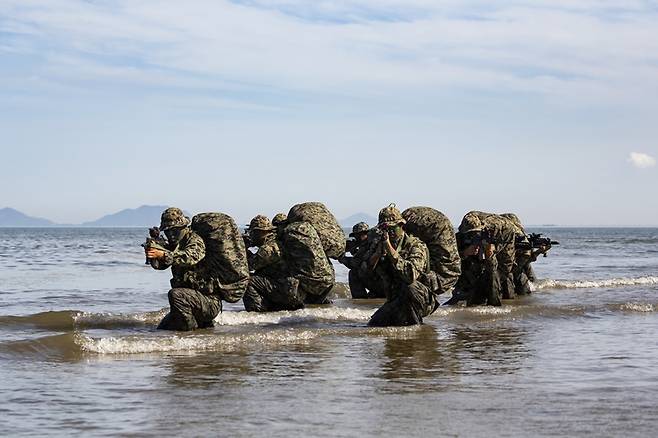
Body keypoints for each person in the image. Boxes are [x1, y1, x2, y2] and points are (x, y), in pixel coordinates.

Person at [145, 207, 219, 331]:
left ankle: (190, 335)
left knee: (175, 295)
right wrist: (154, 255)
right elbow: (161, 266)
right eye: (168, 232)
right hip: (189, 301)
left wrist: (163, 254)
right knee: (162, 329)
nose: (171, 235)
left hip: (208, 301)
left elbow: (189, 257)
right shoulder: (175, 245)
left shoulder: (195, 240)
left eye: (174, 231)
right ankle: (200, 326)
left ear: (183, 227)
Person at [368, 204, 436, 326]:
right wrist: (378, 254)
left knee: (409, 287)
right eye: (385, 229)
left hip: (421, 299)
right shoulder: (381, 243)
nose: (389, 233)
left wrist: (390, 250)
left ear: (401, 226)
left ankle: (417, 329)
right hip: (396, 299)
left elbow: (410, 276)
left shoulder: (415, 246)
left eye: (392, 228)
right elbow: (367, 271)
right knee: (373, 324)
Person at [450, 212, 502, 306]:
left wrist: (489, 255)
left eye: (476, 233)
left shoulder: (486, 239)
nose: (473, 236)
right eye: (470, 234)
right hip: (464, 281)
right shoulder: (457, 240)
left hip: (484, 281)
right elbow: (450, 263)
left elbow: (492, 270)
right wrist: (465, 253)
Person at [338, 222, 381, 298]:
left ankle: (360, 300)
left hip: (381, 283)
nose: (356, 239)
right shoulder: (372, 243)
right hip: (384, 282)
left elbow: (354, 263)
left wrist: (341, 258)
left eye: (358, 236)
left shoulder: (370, 245)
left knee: (353, 273)